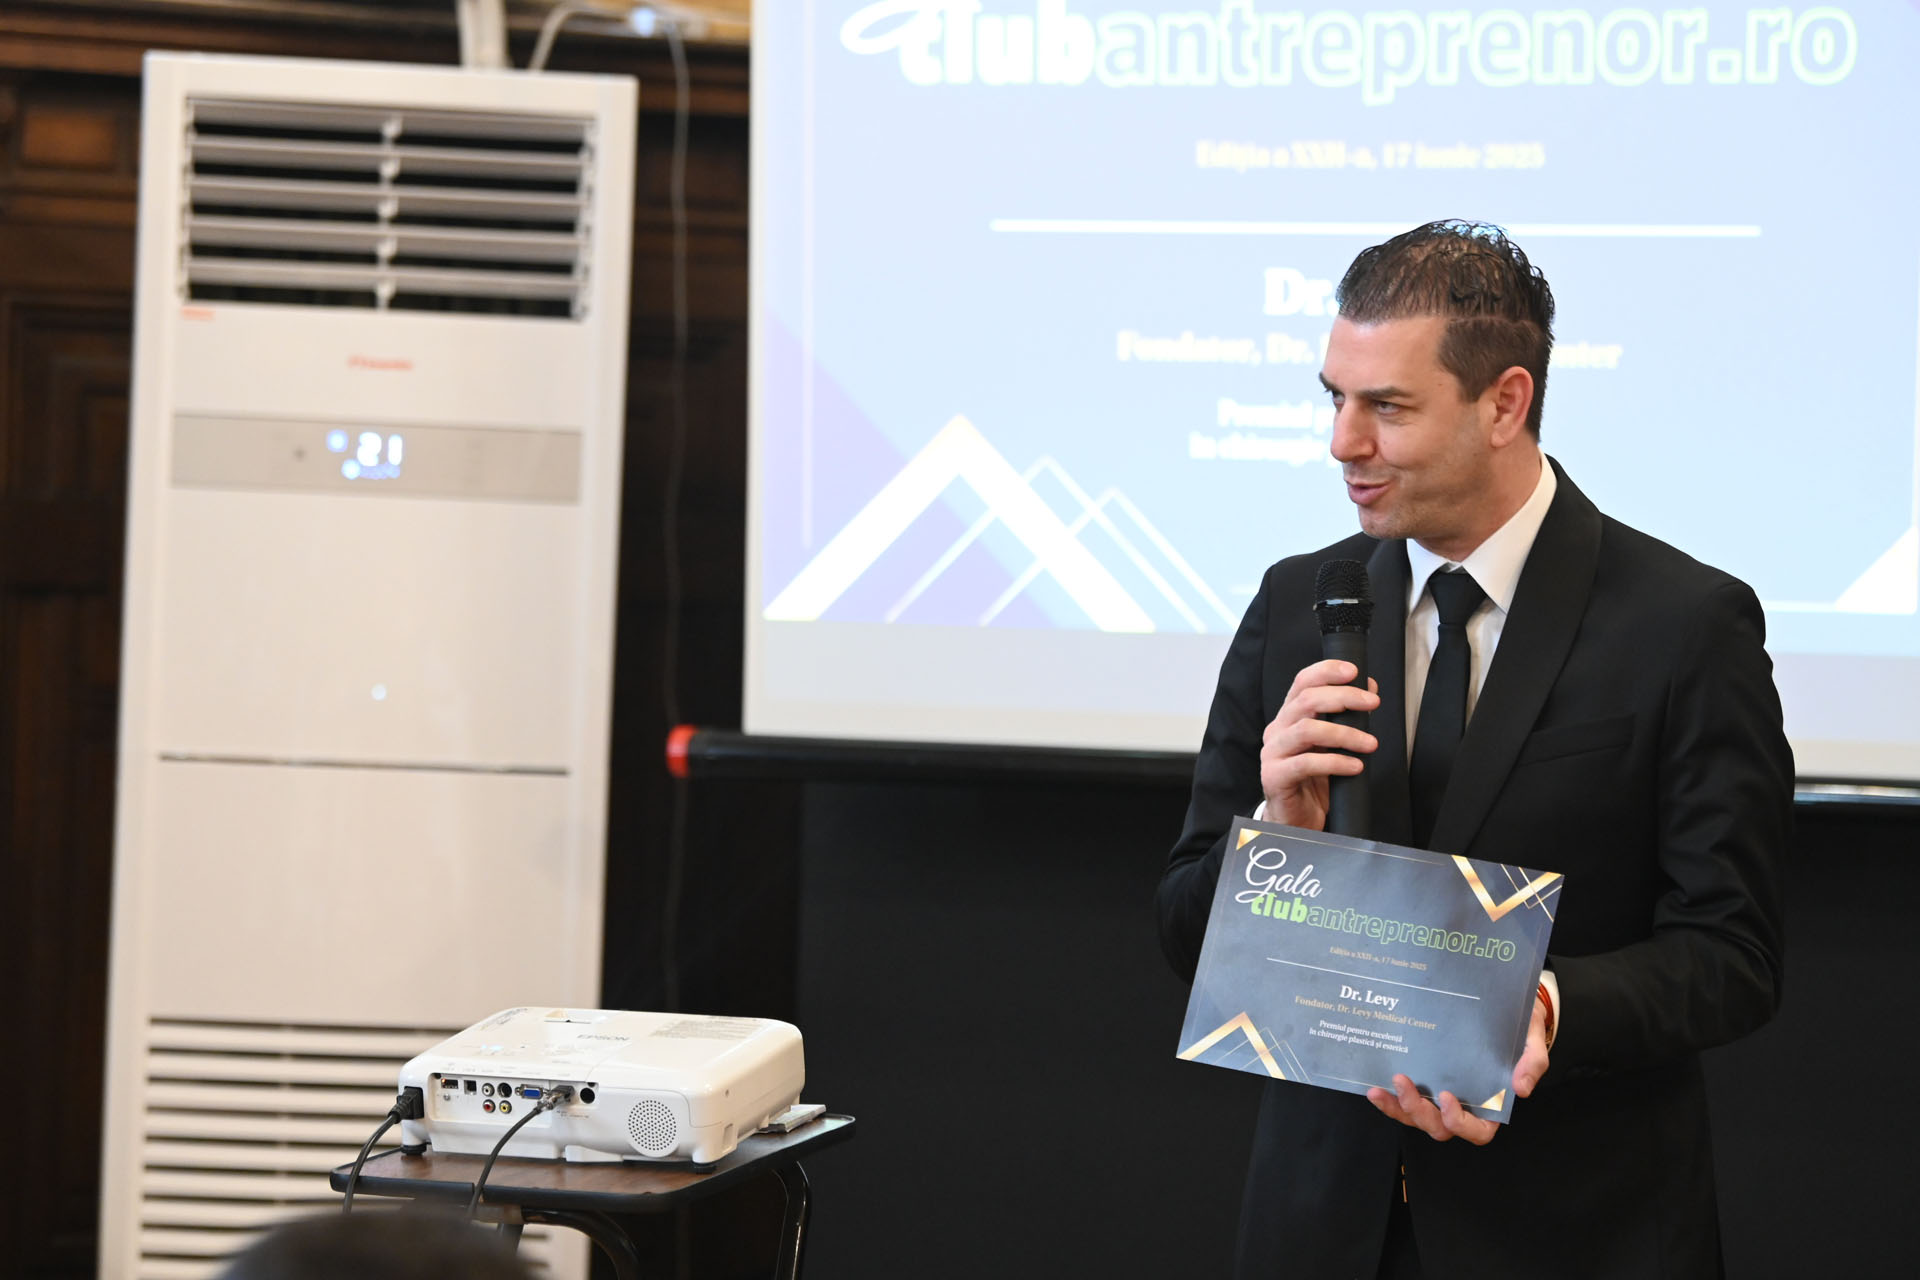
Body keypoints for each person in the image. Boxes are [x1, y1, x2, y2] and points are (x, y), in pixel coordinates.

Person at [1155, 220, 1790, 1279]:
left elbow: (1733, 955)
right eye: (1334, 398)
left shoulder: (1685, 624)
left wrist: (1541, 1006)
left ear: (1505, 403)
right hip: (1322, 1229)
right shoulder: (1299, 602)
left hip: (1575, 1232)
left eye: (1387, 407)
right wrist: (1276, 835)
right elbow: (1185, 925)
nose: (1343, 442)